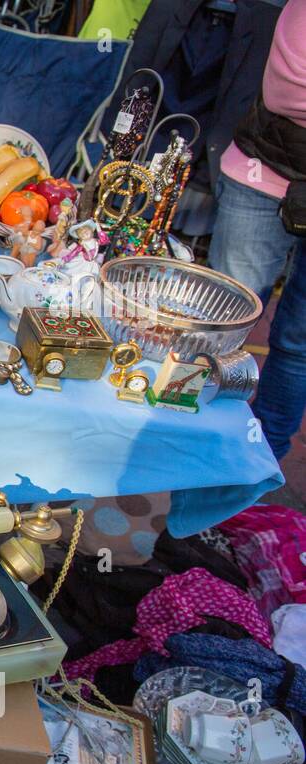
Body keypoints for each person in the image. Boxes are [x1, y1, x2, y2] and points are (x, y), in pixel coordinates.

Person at [208, 0, 306, 460]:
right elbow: (289, 90)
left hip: (268, 164)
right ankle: (189, 482)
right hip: (264, 171)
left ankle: (252, 480)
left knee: (298, 348)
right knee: (219, 333)